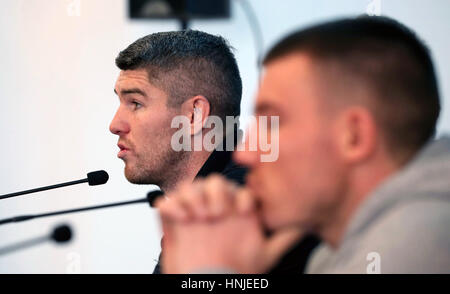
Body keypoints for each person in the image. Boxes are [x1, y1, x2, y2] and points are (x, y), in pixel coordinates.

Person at [156, 16, 450, 274]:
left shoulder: (414, 243)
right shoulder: (336, 252)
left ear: (354, 136)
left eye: (275, 121)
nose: (245, 153)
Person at [110, 30, 318, 274]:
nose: (115, 125)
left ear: (194, 115)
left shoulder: (239, 210)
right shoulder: (211, 201)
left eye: (135, 103)